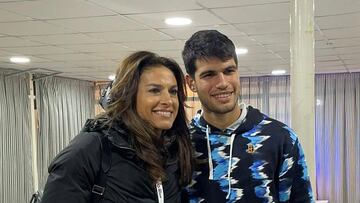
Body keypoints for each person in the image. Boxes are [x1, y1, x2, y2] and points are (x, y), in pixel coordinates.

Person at [41, 51, 193, 203]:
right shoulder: (90, 149)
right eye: (154, 90)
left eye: (173, 92)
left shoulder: (175, 150)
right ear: (128, 96)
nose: (168, 100)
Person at [182, 30, 314, 203]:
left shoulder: (280, 138)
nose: (222, 83)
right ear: (191, 82)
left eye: (229, 71)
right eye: (209, 74)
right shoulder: (180, 142)